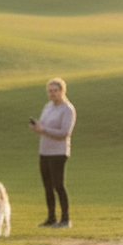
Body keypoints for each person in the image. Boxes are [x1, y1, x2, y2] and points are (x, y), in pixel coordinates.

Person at [31, 77, 76, 228]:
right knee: (47, 186)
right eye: (50, 91)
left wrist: (44, 130)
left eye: (55, 91)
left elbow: (65, 132)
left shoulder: (68, 109)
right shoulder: (48, 106)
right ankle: (51, 218)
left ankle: (65, 219)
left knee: (58, 185)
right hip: (44, 150)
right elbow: (44, 125)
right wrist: (38, 127)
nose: (52, 94)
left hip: (58, 152)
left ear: (62, 91)